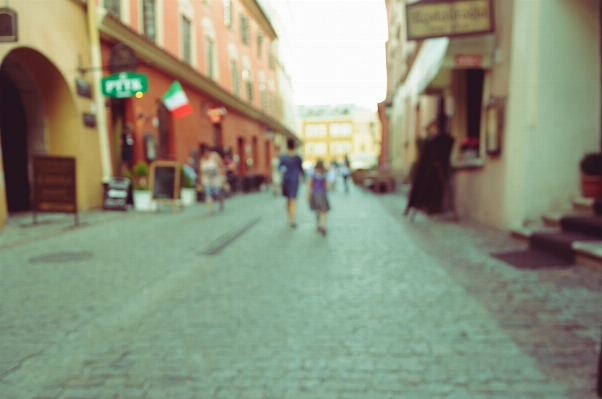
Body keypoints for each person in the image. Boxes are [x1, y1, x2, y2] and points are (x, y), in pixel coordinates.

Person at [279, 138, 304, 227]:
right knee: (289, 199)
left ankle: (292, 219)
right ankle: (290, 217)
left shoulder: (297, 157)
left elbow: (300, 169)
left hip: (293, 181)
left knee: (292, 199)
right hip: (287, 180)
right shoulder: (284, 157)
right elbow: (280, 167)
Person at [198, 143, 225, 214]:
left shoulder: (215, 157)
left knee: (217, 194)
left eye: (206, 152)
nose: (206, 154)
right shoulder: (202, 160)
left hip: (216, 179)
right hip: (206, 180)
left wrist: (223, 177)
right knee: (208, 194)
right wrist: (200, 182)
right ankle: (210, 209)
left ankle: (221, 204)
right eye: (204, 153)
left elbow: (221, 166)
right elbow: (201, 172)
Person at [308, 159, 330, 236]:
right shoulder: (321, 174)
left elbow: (310, 185)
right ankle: (321, 225)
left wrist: (308, 195)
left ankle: (321, 225)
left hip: (317, 194)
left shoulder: (315, 174)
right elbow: (325, 185)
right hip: (319, 194)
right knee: (321, 211)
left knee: (320, 211)